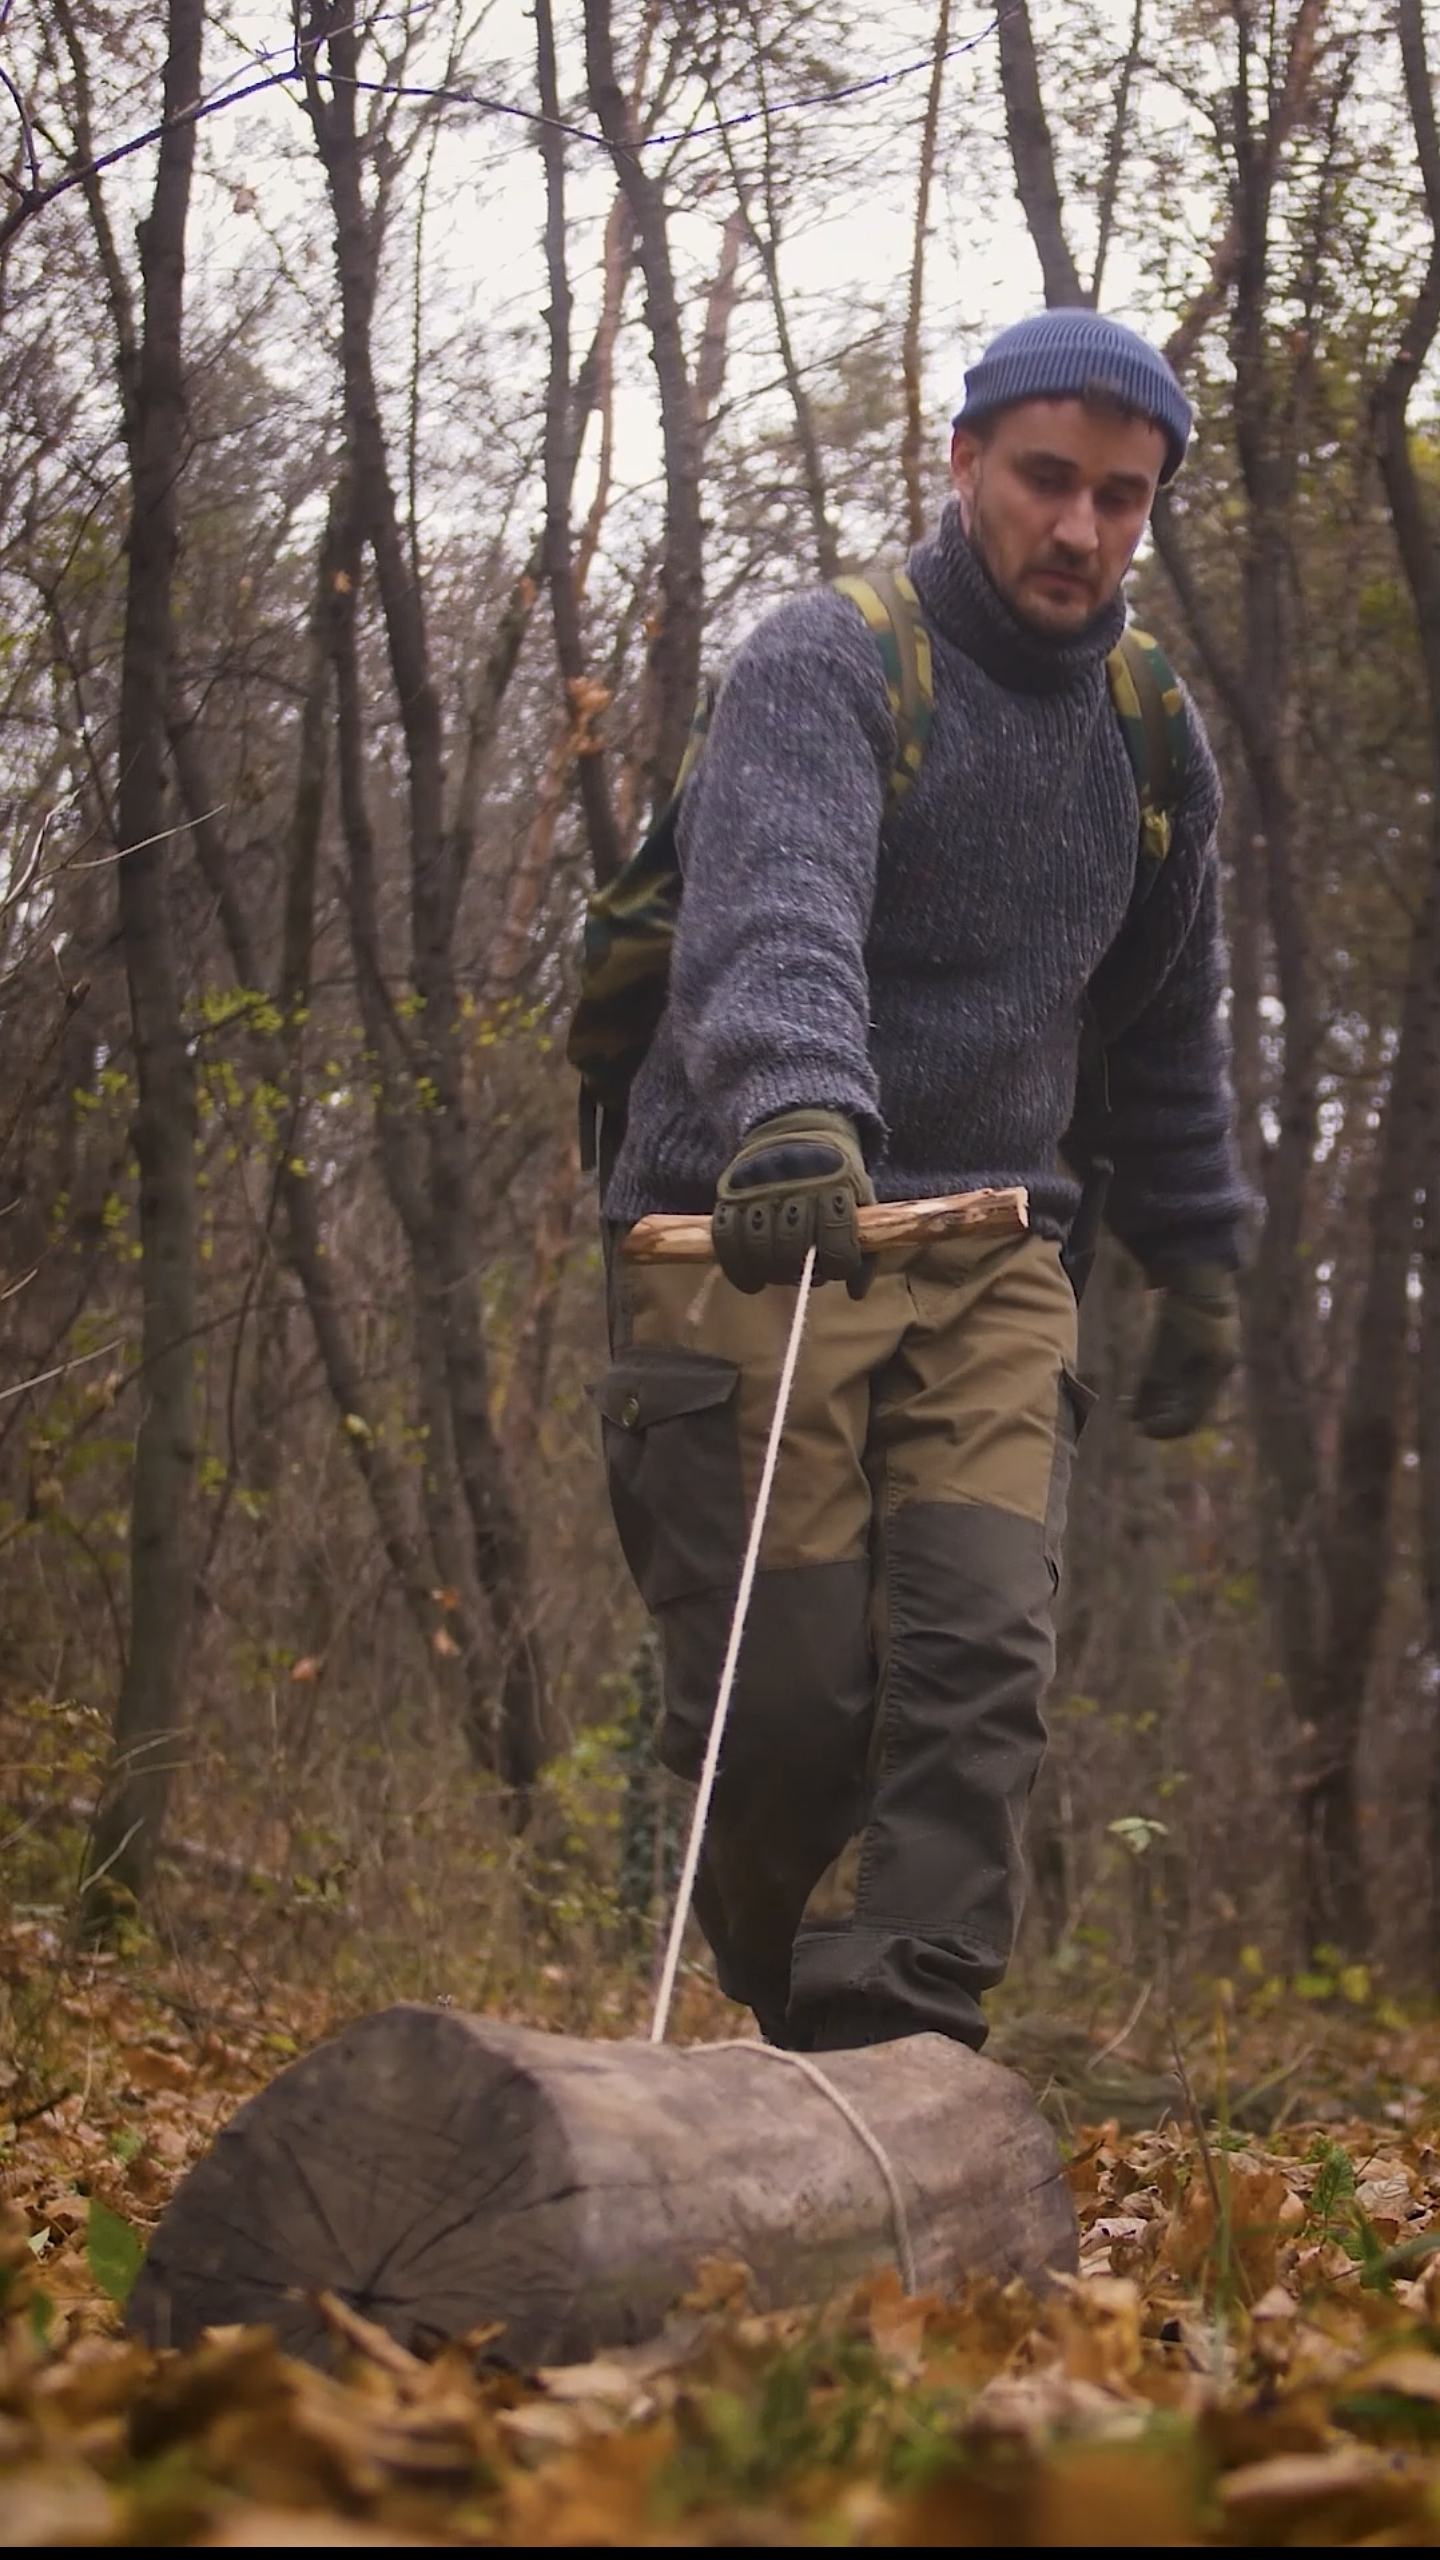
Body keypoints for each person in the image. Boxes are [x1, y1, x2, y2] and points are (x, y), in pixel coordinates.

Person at [595, 308, 1246, 2054]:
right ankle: (778, 1985)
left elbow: (1165, 1023)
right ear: (965, 465)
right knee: (791, 1695)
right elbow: (776, 909)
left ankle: (900, 2043)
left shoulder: (1151, 732)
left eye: (1122, 499)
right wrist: (801, 1108)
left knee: (977, 1667)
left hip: (989, 1243)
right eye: (1046, 481)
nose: (1080, 531)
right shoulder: (825, 661)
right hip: (749, 1220)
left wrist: (1195, 1248)